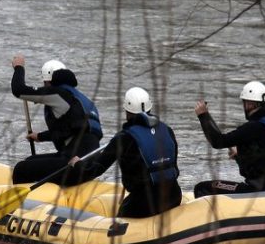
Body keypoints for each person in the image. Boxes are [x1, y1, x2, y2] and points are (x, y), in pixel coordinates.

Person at [69, 87, 182, 218]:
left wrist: (77, 164)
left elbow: (94, 170)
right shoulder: (167, 130)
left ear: (127, 111)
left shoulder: (123, 138)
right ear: (150, 108)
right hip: (174, 196)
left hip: (144, 204)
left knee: (122, 214)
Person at [10, 55, 102, 185]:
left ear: (49, 81)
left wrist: (19, 67)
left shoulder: (58, 94)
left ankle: (23, 203)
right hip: (89, 163)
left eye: (45, 83)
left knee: (21, 169)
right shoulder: (80, 99)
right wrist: (40, 136)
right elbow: (69, 130)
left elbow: (19, 90)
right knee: (30, 160)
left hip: (73, 163)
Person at [193, 80, 265, 197]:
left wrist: (203, 116)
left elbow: (218, 141)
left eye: (244, 103)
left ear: (249, 104)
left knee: (202, 188)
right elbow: (264, 161)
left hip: (255, 191)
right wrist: (238, 155)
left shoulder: (254, 127)